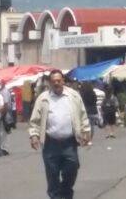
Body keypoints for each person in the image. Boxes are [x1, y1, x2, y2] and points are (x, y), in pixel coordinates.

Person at [28, 69, 91, 199]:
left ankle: (65, 194)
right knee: (52, 176)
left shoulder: (73, 96)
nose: (56, 83)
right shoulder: (43, 98)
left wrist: (86, 132)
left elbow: (82, 115)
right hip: (51, 144)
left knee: (71, 170)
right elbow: (35, 120)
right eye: (53, 81)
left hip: (69, 143)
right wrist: (34, 136)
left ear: (63, 81)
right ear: (49, 83)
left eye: (58, 80)